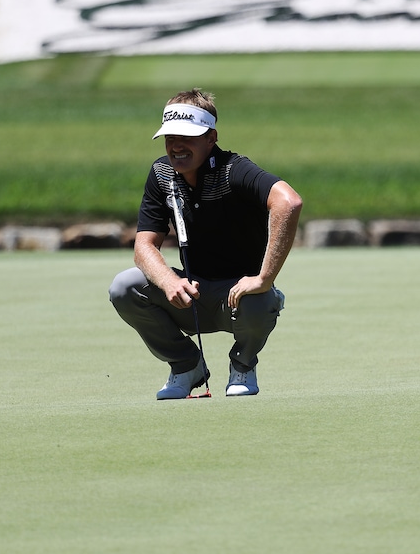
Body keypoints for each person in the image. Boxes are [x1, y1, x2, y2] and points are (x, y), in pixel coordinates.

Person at [109, 88, 303, 399]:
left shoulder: (233, 170)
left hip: (239, 300)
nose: (176, 146)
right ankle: (187, 366)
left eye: (187, 136)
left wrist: (263, 278)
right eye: (170, 137)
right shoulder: (162, 174)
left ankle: (242, 365)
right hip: (190, 297)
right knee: (124, 287)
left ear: (210, 138)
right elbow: (144, 246)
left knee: (262, 297)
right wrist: (169, 280)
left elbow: (288, 202)